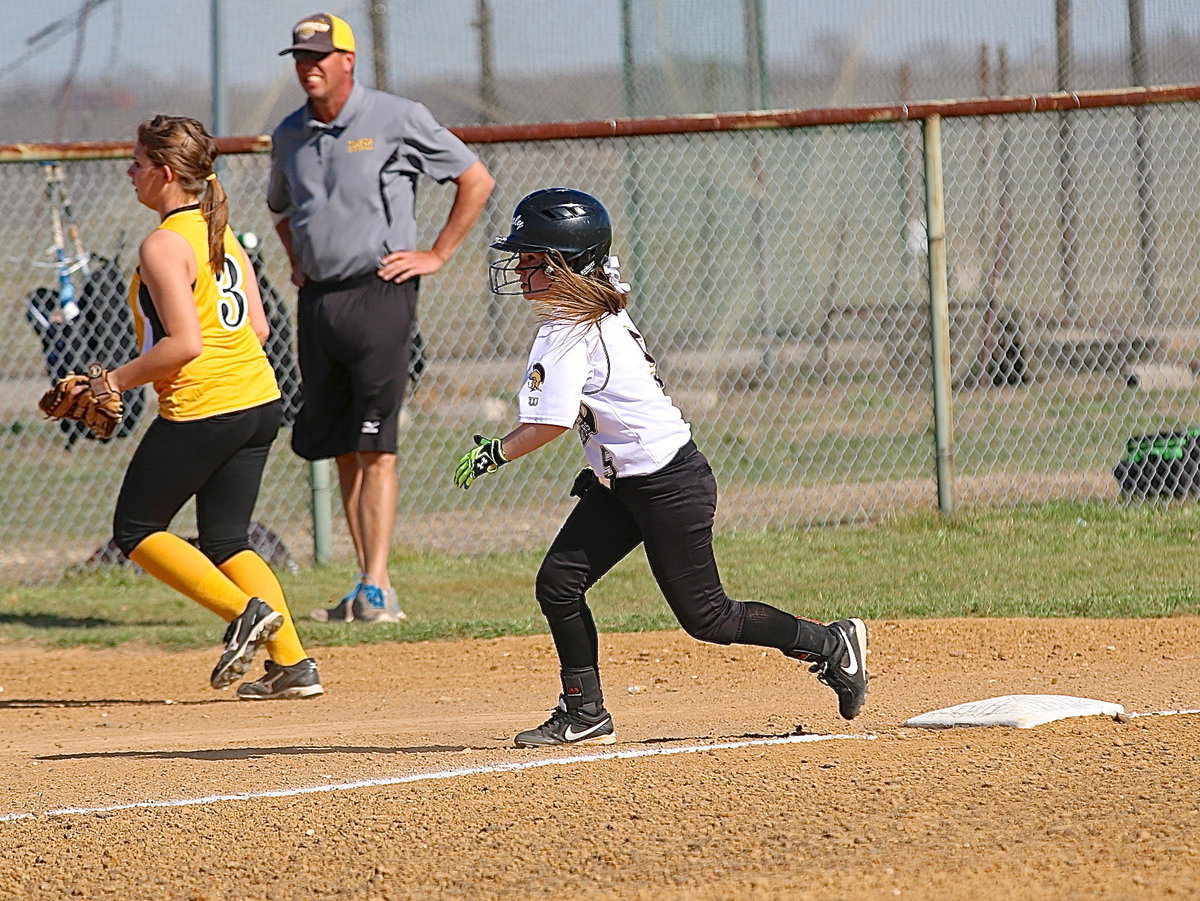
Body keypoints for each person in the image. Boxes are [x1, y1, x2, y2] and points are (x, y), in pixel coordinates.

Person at [454, 188, 868, 748]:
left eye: (535, 259)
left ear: (568, 266)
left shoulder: (568, 331)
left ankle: (830, 644)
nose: (522, 270)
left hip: (667, 484)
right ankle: (585, 712)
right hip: (621, 483)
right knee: (559, 582)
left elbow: (549, 423)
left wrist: (494, 452)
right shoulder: (595, 304)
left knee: (710, 619)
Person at [269, 12, 495, 624]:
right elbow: (281, 210)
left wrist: (438, 254)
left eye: (320, 55)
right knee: (342, 446)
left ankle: (378, 585)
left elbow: (474, 178)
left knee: (377, 447)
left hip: (381, 292)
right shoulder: (290, 133)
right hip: (319, 301)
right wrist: (297, 262)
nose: (308, 67)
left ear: (348, 60)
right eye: (299, 57)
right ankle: (364, 585)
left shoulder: (396, 116)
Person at [104, 114, 323, 701]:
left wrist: (113, 381)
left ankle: (243, 613)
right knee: (228, 540)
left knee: (136, 529)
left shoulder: (164, 242)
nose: (130, 173)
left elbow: (184, 345)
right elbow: (257, 324)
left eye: (139, 164)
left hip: (206, 405)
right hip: (258, 400)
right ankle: (293, 664)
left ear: (167, 173)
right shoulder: (218, 229)